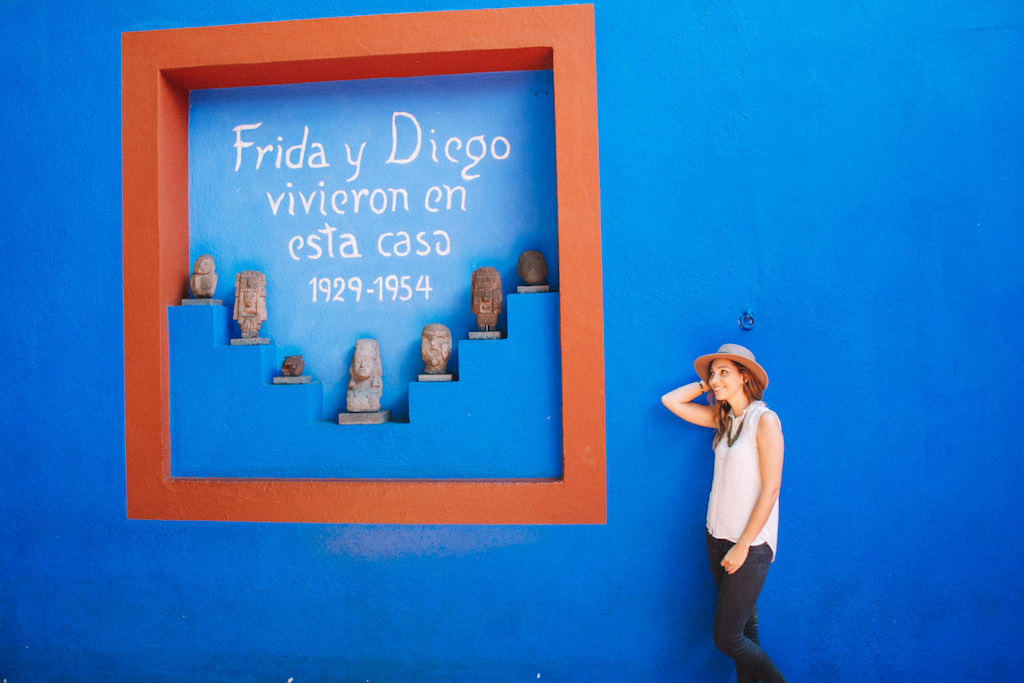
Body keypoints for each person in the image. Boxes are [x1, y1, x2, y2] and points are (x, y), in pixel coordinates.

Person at [661, 343, 786, 683]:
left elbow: (771, 489)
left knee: (727, 638)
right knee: (747, 629)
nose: (716, 380)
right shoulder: (725, 420)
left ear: (745, 377)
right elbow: (671, 402)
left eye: (724, 373)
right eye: (712, 373)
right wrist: (706, 384)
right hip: (717, 537)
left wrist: (744, 545)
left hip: (749, 546)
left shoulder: (765, 420)